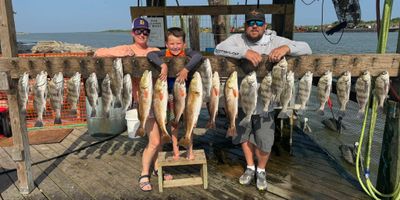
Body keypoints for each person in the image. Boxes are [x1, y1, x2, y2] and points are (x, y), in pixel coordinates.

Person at [214, 9, 312, 191]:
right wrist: (244, 52)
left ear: (265, 26)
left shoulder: (275, 40)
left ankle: (261, 170)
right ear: (245, 26)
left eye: (258, 23)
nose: (254, 26)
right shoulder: (237, 40)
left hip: (266, 103)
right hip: (243, 100)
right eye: (250, 23)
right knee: (243, 135)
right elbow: (218, 49)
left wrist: (287, 48)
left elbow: (307, 48)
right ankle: (250, 167)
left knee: (265, 141)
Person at [94, 17, 166, 192]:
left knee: (160, 139)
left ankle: (157, 168)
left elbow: (173, 55)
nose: (142, 34)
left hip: (159, 100)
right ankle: (144, 173)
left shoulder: (155, 50)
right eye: (138, 31)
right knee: (155, 140)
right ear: (132, 33)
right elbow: (98, 53)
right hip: (142, 102)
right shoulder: (126, 49)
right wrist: (119, 53)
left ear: (149, 33)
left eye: (145, 31)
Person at [147, 27, 203, 161]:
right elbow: (150, 55)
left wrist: (186, 69)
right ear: (166, 44)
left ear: (184, 44)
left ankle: (189, 149)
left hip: (187, 96)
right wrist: (163, 65)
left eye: (178, 43)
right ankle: (175, 149)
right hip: (172, 97)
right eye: (171, 44)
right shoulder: (163, 53)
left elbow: (198, 56)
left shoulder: (187, 52)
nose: (175, 47)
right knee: (174, 123)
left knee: (189, 122)